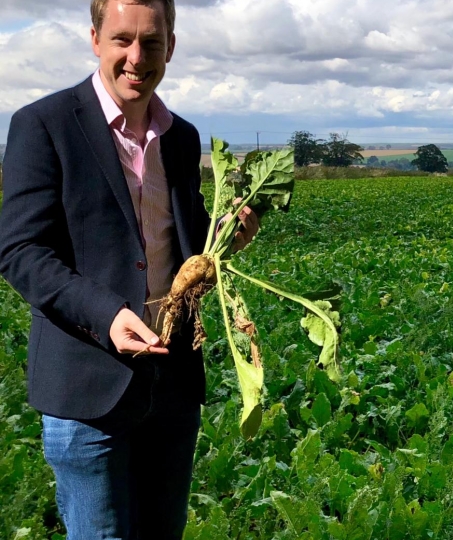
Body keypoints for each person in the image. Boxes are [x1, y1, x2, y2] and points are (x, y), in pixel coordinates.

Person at [0, 0, 258, 537]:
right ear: (95, 39)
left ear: (171, 45)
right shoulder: (43, 125)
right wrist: (107, 314)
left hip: (172, 386)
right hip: (87, 385)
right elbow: (20, 250)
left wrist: (226, 238)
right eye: (121, 39)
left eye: (152, 42)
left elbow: (183, 246)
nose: (136, 57)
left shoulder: (181, 138)